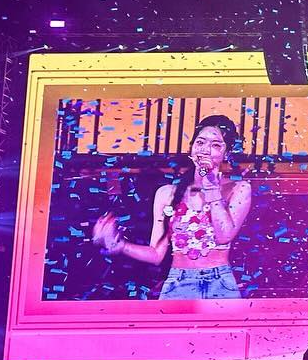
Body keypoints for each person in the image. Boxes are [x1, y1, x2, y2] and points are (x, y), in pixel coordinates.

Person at [92, 114, 254, 299]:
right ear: (191, 148)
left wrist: (211, 188)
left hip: (219, 283)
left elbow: (224, 236)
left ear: (227, 153)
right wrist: (119, 245)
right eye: (200, 142)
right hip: (178, 283)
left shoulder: (239, 189)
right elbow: (156, 254)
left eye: (216, 145)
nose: (205, 150)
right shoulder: (167, 194)